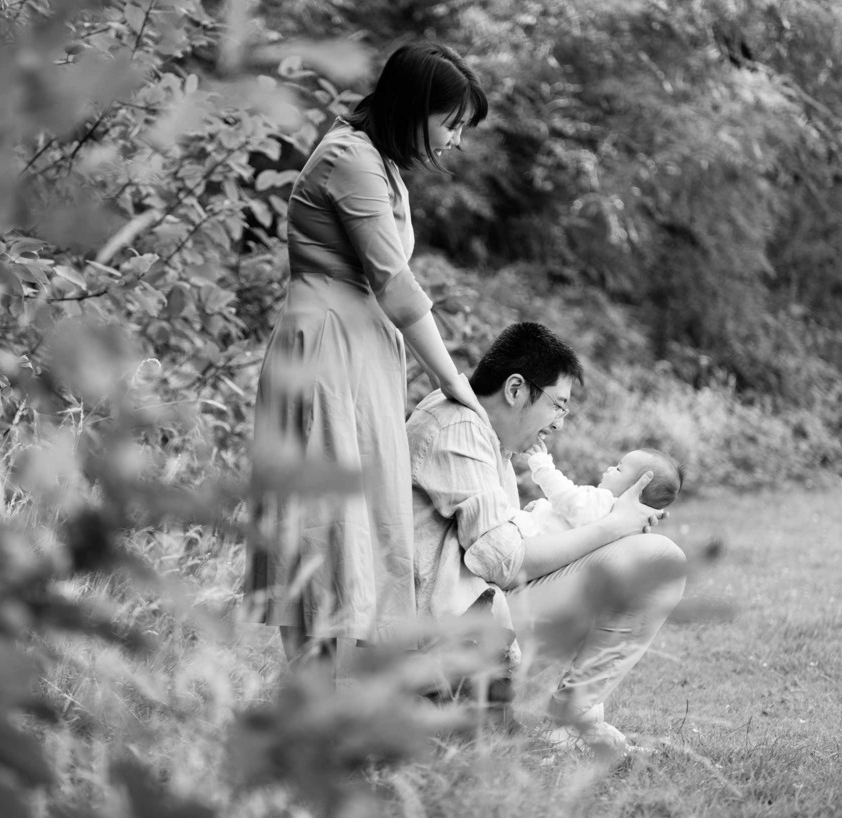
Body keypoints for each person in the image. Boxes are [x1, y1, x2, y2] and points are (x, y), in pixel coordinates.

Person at [243, 42, 490, 668]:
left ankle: (335, 720)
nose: (456, 139)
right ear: (414, 107)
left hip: (360, 359)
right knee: (323, 532)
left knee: (353, 535)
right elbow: (396, 286)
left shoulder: (380, 162)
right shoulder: (348, 158)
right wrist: (453, 378)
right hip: (327, 359)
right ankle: (308, 723)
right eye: (452, 122)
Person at [407, 322, 687, 758]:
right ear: (516, 389)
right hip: (444, 630)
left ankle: (568, 720)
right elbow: (506, 563)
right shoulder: (457, 430)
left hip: (480, 613)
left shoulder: (487, 438)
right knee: (657, 559)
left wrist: (616, 530)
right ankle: (567, 722)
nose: (558, 423)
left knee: (645, 559)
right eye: (558, 405)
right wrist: (613, 528)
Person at [506, 442, 684, 544]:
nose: (609, 468)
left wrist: (542, 465)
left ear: (635, 490)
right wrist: (543, 507)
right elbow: (569, 516)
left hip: (519, 539)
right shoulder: (615, 520)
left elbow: (566, 498)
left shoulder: (605, 504)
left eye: (619, 469)